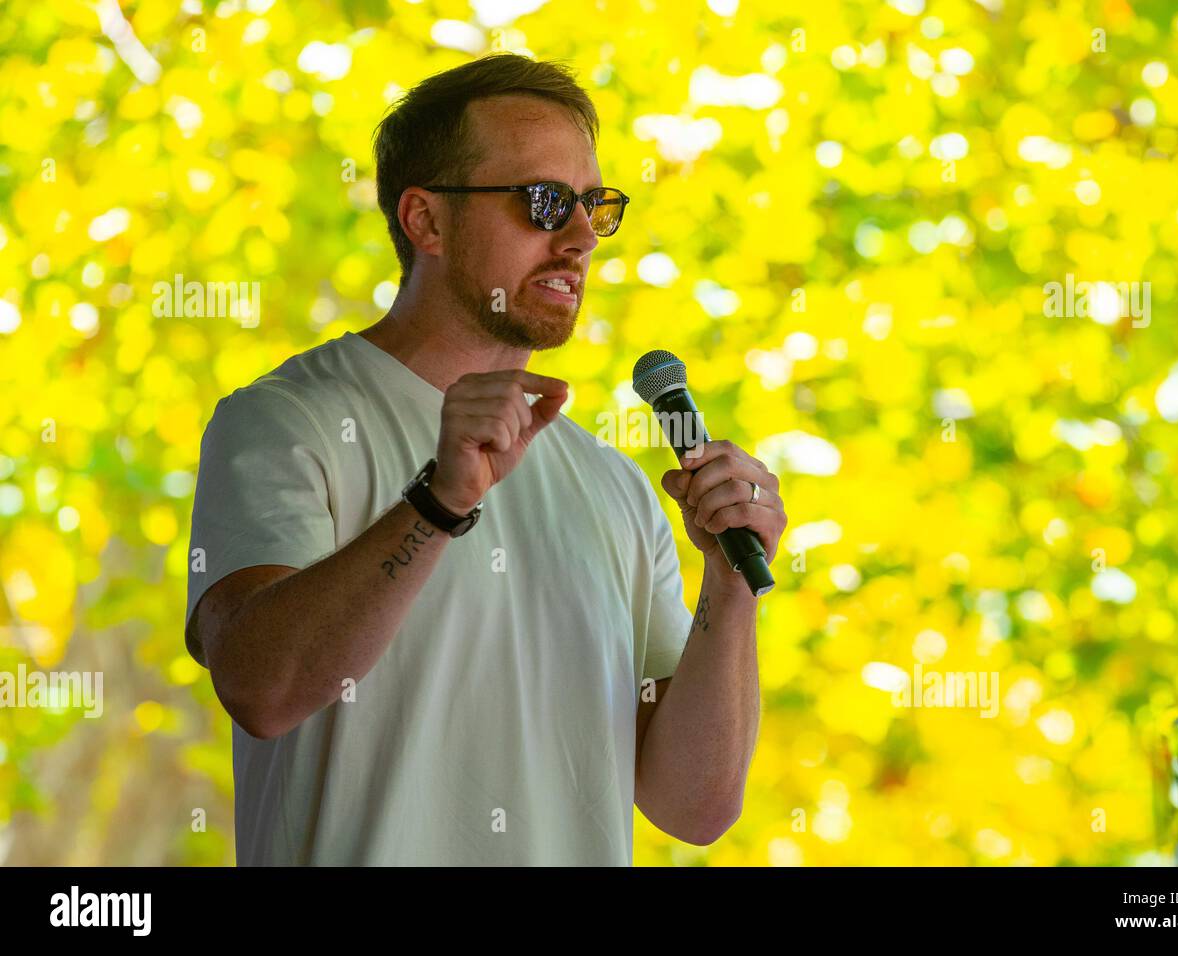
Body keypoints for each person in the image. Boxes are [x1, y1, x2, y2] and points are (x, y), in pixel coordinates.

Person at [184, 53, 788, 865]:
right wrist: (437, 504)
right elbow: (262, 689)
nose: (579, 239)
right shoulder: (286, 420)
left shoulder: (615, 488)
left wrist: (729, 583)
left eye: (594, 207)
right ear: (425, 222)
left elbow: (696, 804)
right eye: (543, 203)